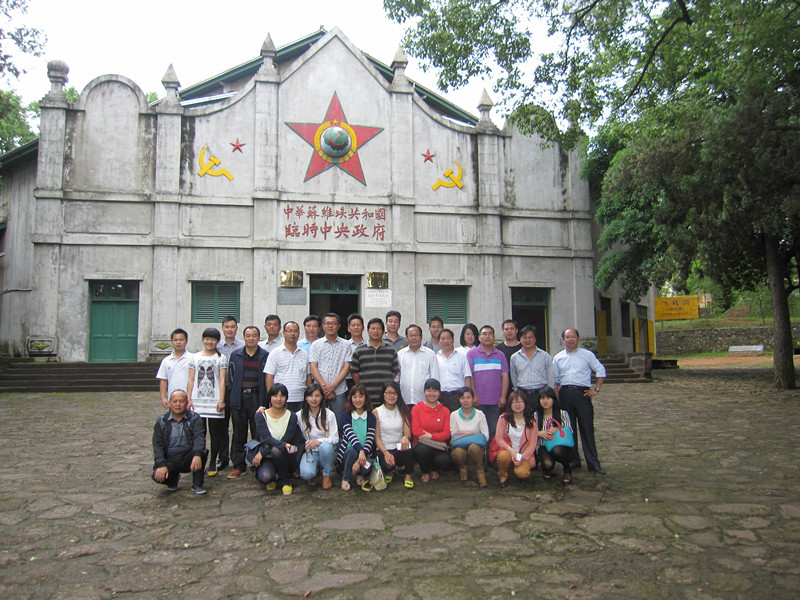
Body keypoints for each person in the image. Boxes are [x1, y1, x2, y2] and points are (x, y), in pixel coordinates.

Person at [553, 328, 607, 474]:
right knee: (568, 429)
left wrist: (596, 389)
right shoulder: (558, 358)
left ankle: (593, 462)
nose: (570, 339)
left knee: (587, 429)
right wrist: (557, 396)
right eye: (567, 337)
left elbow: (600, 370)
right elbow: (556, 380)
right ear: (563, 340)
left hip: (582, 393)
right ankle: (573, 460)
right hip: (565, 394)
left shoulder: (587, 355)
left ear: (578, 338)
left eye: (573, 337)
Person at [226, 325, 268, 479]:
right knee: (238, 432)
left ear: (259, 337)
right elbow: (231, 378)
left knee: (258, 432)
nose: (251, 338)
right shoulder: (236, 355)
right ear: (244, 337)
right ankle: (238, 465)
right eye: (248, 335)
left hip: (257, 397)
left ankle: (257, 463)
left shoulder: (265, 355)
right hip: (239, 397)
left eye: (254, 335)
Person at [186, 327, 228, 478]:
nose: (210, 342)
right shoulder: (194, 357)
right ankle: (200, 459)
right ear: (203, 340)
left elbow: (222, 379)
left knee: (215, 433)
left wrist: (221, 399)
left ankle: (213, 461)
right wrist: (188, 398)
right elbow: (191, 379)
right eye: (207, 339)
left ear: (217, 341)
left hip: (215, 400)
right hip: (198, 401)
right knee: (199, 432)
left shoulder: (221, 358)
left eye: (213, 339)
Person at [152, 389, 208, 495]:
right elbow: (157, 444)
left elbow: (199, 437)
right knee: (157, 475)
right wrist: (160, 464)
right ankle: (172, 480)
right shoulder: (162, 421)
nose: (178, 404)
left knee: (201, 453)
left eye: (181, 401)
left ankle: (197, 484)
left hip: (188, 456)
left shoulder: (194, 418)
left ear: (187, 403)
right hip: (170, 457)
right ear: (169, 403)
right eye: (175, 401)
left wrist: (197, 454)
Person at [252, 383, 301, 495]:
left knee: (277, 450)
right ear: (270, 397)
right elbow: (266, 438)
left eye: (282, 396)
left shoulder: (292, 416)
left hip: (286, 456)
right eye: (275, 396)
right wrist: (264, 453)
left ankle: (285, 481)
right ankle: (274, 477)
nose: (278, 399)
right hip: (268, 458)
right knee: (265, 477)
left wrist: (263, 452)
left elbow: (286, 441)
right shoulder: (261, 415)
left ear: (286, 398)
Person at [467, 325, 510, 442]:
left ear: (494, 337)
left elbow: (505, 377)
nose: (487, 336)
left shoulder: (500, 355)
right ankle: (480, 458)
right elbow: (469, 377)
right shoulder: (472, 354)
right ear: (479, 337)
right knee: (478, 430)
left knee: (494, 430)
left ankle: (491, 458)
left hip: (495, 402)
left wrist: (503, 397)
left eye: (490, 334)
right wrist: (473, 396)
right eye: (484, 334)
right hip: (478, 401)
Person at [215, 315, 244, 472]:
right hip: (221, 391)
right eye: (227, 327)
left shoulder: (242, 346)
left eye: (232, 327)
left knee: (238, 426)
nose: (230, 329)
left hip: (237, 391)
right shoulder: (217, 347)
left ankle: (238, 458)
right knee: (221, 426)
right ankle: (223, 457)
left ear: (236, 328)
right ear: (222, 328)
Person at [309, 312, 352, 417]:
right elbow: (313, 368)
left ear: (339, 326)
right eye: (328, 323)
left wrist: (332, 386)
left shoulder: (346, 345)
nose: (330, 326)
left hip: (339, 391)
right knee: (318, 421)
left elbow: (346, 368)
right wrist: (325, 387)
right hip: (319, 391)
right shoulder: (316, 344)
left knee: (338, 422)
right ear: (323, 326)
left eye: (333, 323)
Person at [297, 383, 339, 490]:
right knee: (306, 474)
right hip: (310, 452)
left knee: (325, 446)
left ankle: (327, 474)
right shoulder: (300, 415)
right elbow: (284, 417)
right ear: (306, 398)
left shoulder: (329, 414)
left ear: (321, 397)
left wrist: (318, 441)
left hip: (327, 452)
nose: (314, 399)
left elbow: (335, 438)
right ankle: (314, 472)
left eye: (317, 396)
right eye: (311, 396)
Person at [373, 380, 415, 488]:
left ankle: (408, 476)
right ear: (383, 394)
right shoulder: (377, 412)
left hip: (399, 447)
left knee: (410, 450)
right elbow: (377, 438)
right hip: (384, 449)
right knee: (387, 466)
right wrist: (386, 452)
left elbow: (407, 433)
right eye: (388, 393)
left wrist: (405, 437)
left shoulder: (403, 410)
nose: (392, 396)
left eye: (394, 393)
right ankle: (388, 471)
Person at [492, 391, 537, 488]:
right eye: (514, 402)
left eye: (520, 402)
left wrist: (521, 457)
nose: (517, 405)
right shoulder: (503, 419)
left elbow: (532, 445)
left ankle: (519, 469)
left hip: (524, 455)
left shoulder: (531, 422)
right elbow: (499, 439)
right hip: (508, 451)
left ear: (525, 403)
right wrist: (511, 451)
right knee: (503, 456)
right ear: (510, 404)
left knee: (522, 473)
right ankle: (503, 476)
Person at [336, 384, 377, 491]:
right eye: (354, 397)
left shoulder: (371, 417)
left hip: (365, 455)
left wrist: (359, 460)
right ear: (350, 399)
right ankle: (346, 478)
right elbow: (352, 436)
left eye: (361, 396)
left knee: (368, 466)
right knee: (352, 451)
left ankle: (360, 474)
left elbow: (370, 439)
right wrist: (360, 452)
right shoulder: (345, 416)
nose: (357, 400)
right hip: (348, 453)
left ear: (366, 398)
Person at [264, 321, 310, 413]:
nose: (292, 334)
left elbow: (308, 376)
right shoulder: (275, 353)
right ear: (284, 333)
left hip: (300, 398)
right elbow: (269, 377)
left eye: (295, 331)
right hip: (281, 400)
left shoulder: (304, 354)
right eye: (289, 331)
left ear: (299, 334)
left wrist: (308, 396)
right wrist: (272, 398)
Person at [350, 318, 400, 404]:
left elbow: (394, 371)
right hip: (366, 397)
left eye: (379, 329)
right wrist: (361, 388)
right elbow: (354, 372)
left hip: (385, 398)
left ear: (383, 331)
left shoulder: (391, 350)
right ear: (368, 331)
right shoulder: (359, 351)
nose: (375, 331)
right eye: (373, 328)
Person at [411, 378, 451, 482]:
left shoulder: (445, 411)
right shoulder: (417, 409)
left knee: (444, 460)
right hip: (422, 444)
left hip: (439, 445)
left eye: (435, 391)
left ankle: (434, 469)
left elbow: (447, 433)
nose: (432, 394)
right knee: (422, 451)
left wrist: (431, 436)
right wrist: (437, 435)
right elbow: (416, 431)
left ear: (439, 392)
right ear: (424, 392)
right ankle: (424, 471)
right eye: (429, 391)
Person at [449, 386, 489, 487]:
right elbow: (453, 435)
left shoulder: (480, 414)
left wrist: (465, 434)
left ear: (472, 398)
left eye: (468, 397)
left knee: (473, 447)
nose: (465, 400)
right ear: (459, 400)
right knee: (457, 452)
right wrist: (474, 435)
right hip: (460, 448)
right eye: (462, 398)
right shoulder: (454, 415)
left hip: (476, 450)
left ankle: (480, 472)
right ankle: (463, 469)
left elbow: (486, 435)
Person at [510, 324, 555, 411]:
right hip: (522, 395)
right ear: (520, 339)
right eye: (524, 337)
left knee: (541, 421)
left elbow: (551, 377)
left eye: (530, 337)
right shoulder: (514, 357)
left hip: (541, 394)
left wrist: (548, 394)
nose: (527, 340)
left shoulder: (544, 356)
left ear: (535, 339)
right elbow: (514, 377)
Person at [535, 386, 574, 485]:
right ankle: (548, 468)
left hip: (559, 445)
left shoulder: (562, 414)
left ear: (553, 399)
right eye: (542, 398)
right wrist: (539, 433)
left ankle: (567, 468)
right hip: (543, 445)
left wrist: (558, 429)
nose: (545, 401)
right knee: (547, 464)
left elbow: (570, 430)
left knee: (557, 450)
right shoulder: (536, 415)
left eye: (548, 398)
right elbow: (529, 433)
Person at [397, 324, 440, 406]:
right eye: (411, 335)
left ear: (421, 336)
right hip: (404, 401)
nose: (414, 338)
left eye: (416, 335)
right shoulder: (400, 354)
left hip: (424, 401)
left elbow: (435, 378)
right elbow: (397, 377)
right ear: (406, 338)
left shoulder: (430, 354)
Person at [436, 328, 473, 411]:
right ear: (439, 341)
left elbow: (467, 377)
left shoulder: (462, 356)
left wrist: (466, 396)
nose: (446, 341)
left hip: (458, 396)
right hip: (441, 396)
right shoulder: (435, 358)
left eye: (448, 338)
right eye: (443, 339)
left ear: (453, 340)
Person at [156, 328, 192, 409]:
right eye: (175, 340)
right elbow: (163, 380)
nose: (178, 342)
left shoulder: (193, 359)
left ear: (186, 341)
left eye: (181, 340)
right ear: (172, 341)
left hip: (190, 399)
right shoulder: (166, 361)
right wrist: (163, 398)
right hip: (173, 399)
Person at [345, 313, 366, 390]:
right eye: (353, 325)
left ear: (363, 327)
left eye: (358, 325)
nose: (356, 327)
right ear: (348, 328)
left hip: (365, 380)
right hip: (348, 381)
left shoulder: (368, 345)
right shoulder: (345, 345)